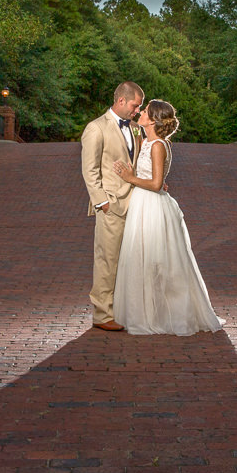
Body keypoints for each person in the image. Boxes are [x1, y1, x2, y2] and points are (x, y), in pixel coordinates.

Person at [111, 100, 223, 336]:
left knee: (160, 261)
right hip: (141, 204)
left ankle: (167, 314)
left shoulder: (159, 146)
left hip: (153, 207)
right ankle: (145, 311)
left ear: (152, 120)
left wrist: (130, 178)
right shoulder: (146, 141)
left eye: (144, 111)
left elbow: (156, 183)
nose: (140, 113)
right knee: (141, 258)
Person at [80, 81, 145, 331]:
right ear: (120, 101)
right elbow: (90, 170)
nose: (137, 111)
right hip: (111, 206)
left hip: (136, 204)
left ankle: (121, 309)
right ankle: (102, 314)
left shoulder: (136, 128)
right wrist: (102, 203)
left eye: (138, 107)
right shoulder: (96, 128)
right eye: (134, 105)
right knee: (107, 261)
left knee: (129, 260)